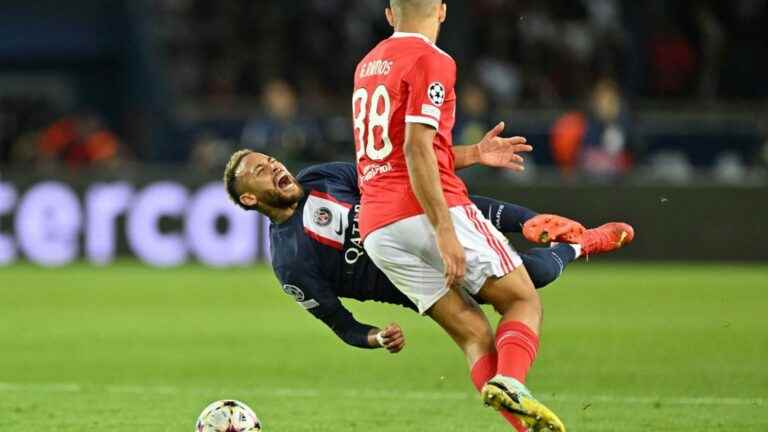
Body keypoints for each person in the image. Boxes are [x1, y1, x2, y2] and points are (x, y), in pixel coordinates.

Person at [352, 1, 628, 430]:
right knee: (521, 299)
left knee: (474, 335)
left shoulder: (368, 65)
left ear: (390, 15)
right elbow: (415, 149)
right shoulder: (433, 59)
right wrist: (444, 229)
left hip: (377, 226)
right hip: (424, 208)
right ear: (442, 11)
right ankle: (514, 381)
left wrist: (475, 153)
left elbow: (394, 154)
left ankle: (521, 420)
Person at [223, 150, 633, 431]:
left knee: (530, 278)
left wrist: (519, 218)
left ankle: (580, 244)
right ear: (249, 197)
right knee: (480, 332)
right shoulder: (289, 262)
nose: (272, 165)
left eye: (269, 159)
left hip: (428, 238)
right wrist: (376, 337)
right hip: (414, 285)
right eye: (259, 170)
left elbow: (420, 188)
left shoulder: (323, 177)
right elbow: (340, 323)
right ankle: (521, 407)